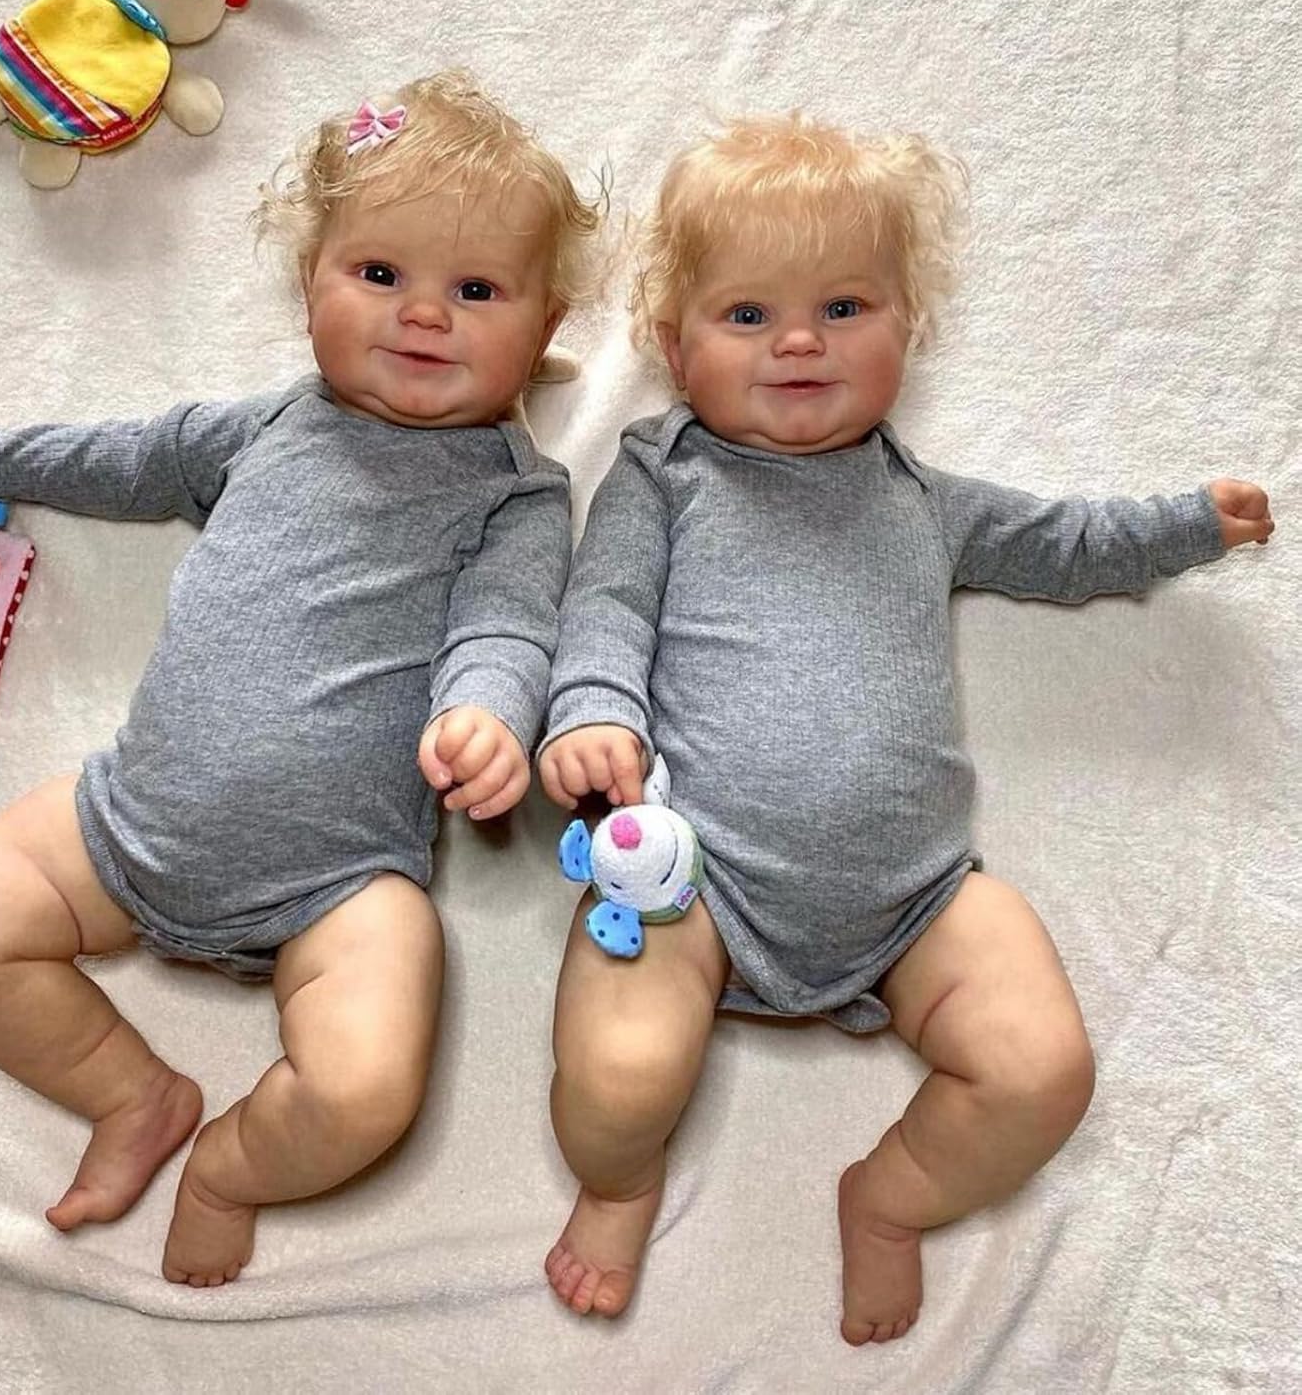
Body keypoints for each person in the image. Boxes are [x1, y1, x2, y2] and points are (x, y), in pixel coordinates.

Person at [536, 111, 1274, 1341]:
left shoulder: (925, 500)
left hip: (917, 897)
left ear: (907, 325)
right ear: (672, 345)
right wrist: (592, 714)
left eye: (843, 308)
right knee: (616, 1082)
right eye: (748, 314)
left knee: (1043, 1071)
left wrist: (1186, 524)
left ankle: (890, 1199)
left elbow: (1065, 544)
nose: (799, 342)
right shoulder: (664, 475)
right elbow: (604, 609)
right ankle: (620, 1187)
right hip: (692, 883)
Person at [0, 70, 602, 1287]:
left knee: (366, 1086)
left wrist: (487, 712)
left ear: (543, 331)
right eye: (379, 274)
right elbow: (125, 460)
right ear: (309, 281)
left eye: (476, 291)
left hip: (341, 888)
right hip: (129, 823)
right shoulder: (265, 429)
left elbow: (507, 627)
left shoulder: (516, 497)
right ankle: (133, 1095)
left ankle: (231, 1164)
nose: (423, 315)